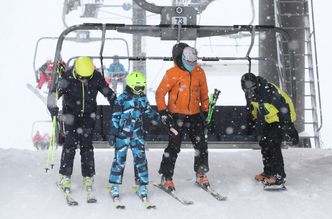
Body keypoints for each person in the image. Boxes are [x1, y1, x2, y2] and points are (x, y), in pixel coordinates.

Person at [47, 56, 116, 196]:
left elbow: (106, 91)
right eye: (81, 77)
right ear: (76, 71)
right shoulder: (67, 77)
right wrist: (52, 106)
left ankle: (88, 176)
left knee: (86, 146)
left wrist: (115, 102)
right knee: (70, 145)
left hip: (88, 116)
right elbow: (53, 94)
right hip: (70, 116)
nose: (84, 80)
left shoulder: (96, 76)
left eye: (87, 77)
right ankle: (65, 176)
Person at [155, 43, 210, 191]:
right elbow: (160, 93)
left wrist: (205, 111)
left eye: (194, 62)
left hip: (195, 116)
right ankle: (166, 176)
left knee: (201, 146)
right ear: (181, 59)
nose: (192, 65)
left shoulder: (199, 72)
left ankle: (201, 173)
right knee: (173, 147)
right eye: (189, 62)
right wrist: (163, 112)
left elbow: (204, 94)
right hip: (176, 117)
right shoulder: (172, 73)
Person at [241, 72, 299, 188]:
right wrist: (250, 122)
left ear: (256, 83)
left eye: (251, 84)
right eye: (246, 85)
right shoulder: (249, 93)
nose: (249, 87)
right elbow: (251, 107)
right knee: (264, 143)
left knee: (273, 145)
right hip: (269, 118)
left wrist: (289, 126)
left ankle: (278, 176)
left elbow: (284, 106)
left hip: (281, 118)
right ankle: (268, 171)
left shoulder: (267, 89)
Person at [108, 71, 160, 199]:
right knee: (119, 159)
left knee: (140, 159)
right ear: (131, 86)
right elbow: (115, 117)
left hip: (137, 134)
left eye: (142, 88)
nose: (140, 90)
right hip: (122, 135)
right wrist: (113, 133)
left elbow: (148, 111)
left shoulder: (142, 98)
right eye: (138, 88)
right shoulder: (121, 99)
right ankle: (115, 186)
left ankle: (142, 185)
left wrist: (159, 118)